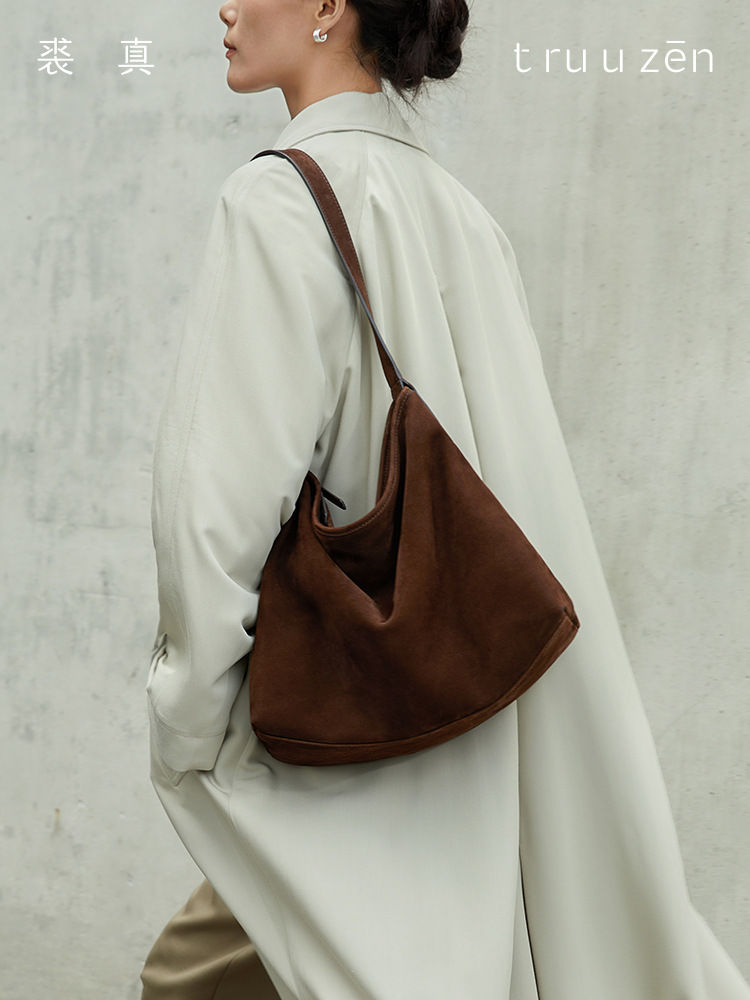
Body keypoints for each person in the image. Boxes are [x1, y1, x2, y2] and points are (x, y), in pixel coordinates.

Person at [144, 0, 750, 997]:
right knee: (203, 977)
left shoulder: (279, 202)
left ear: (329, 7)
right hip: (476, 726)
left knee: (194, 982)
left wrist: (187, 722)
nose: (226, 6)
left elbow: (212, 511)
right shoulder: (463, 215)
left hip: (343, 739)